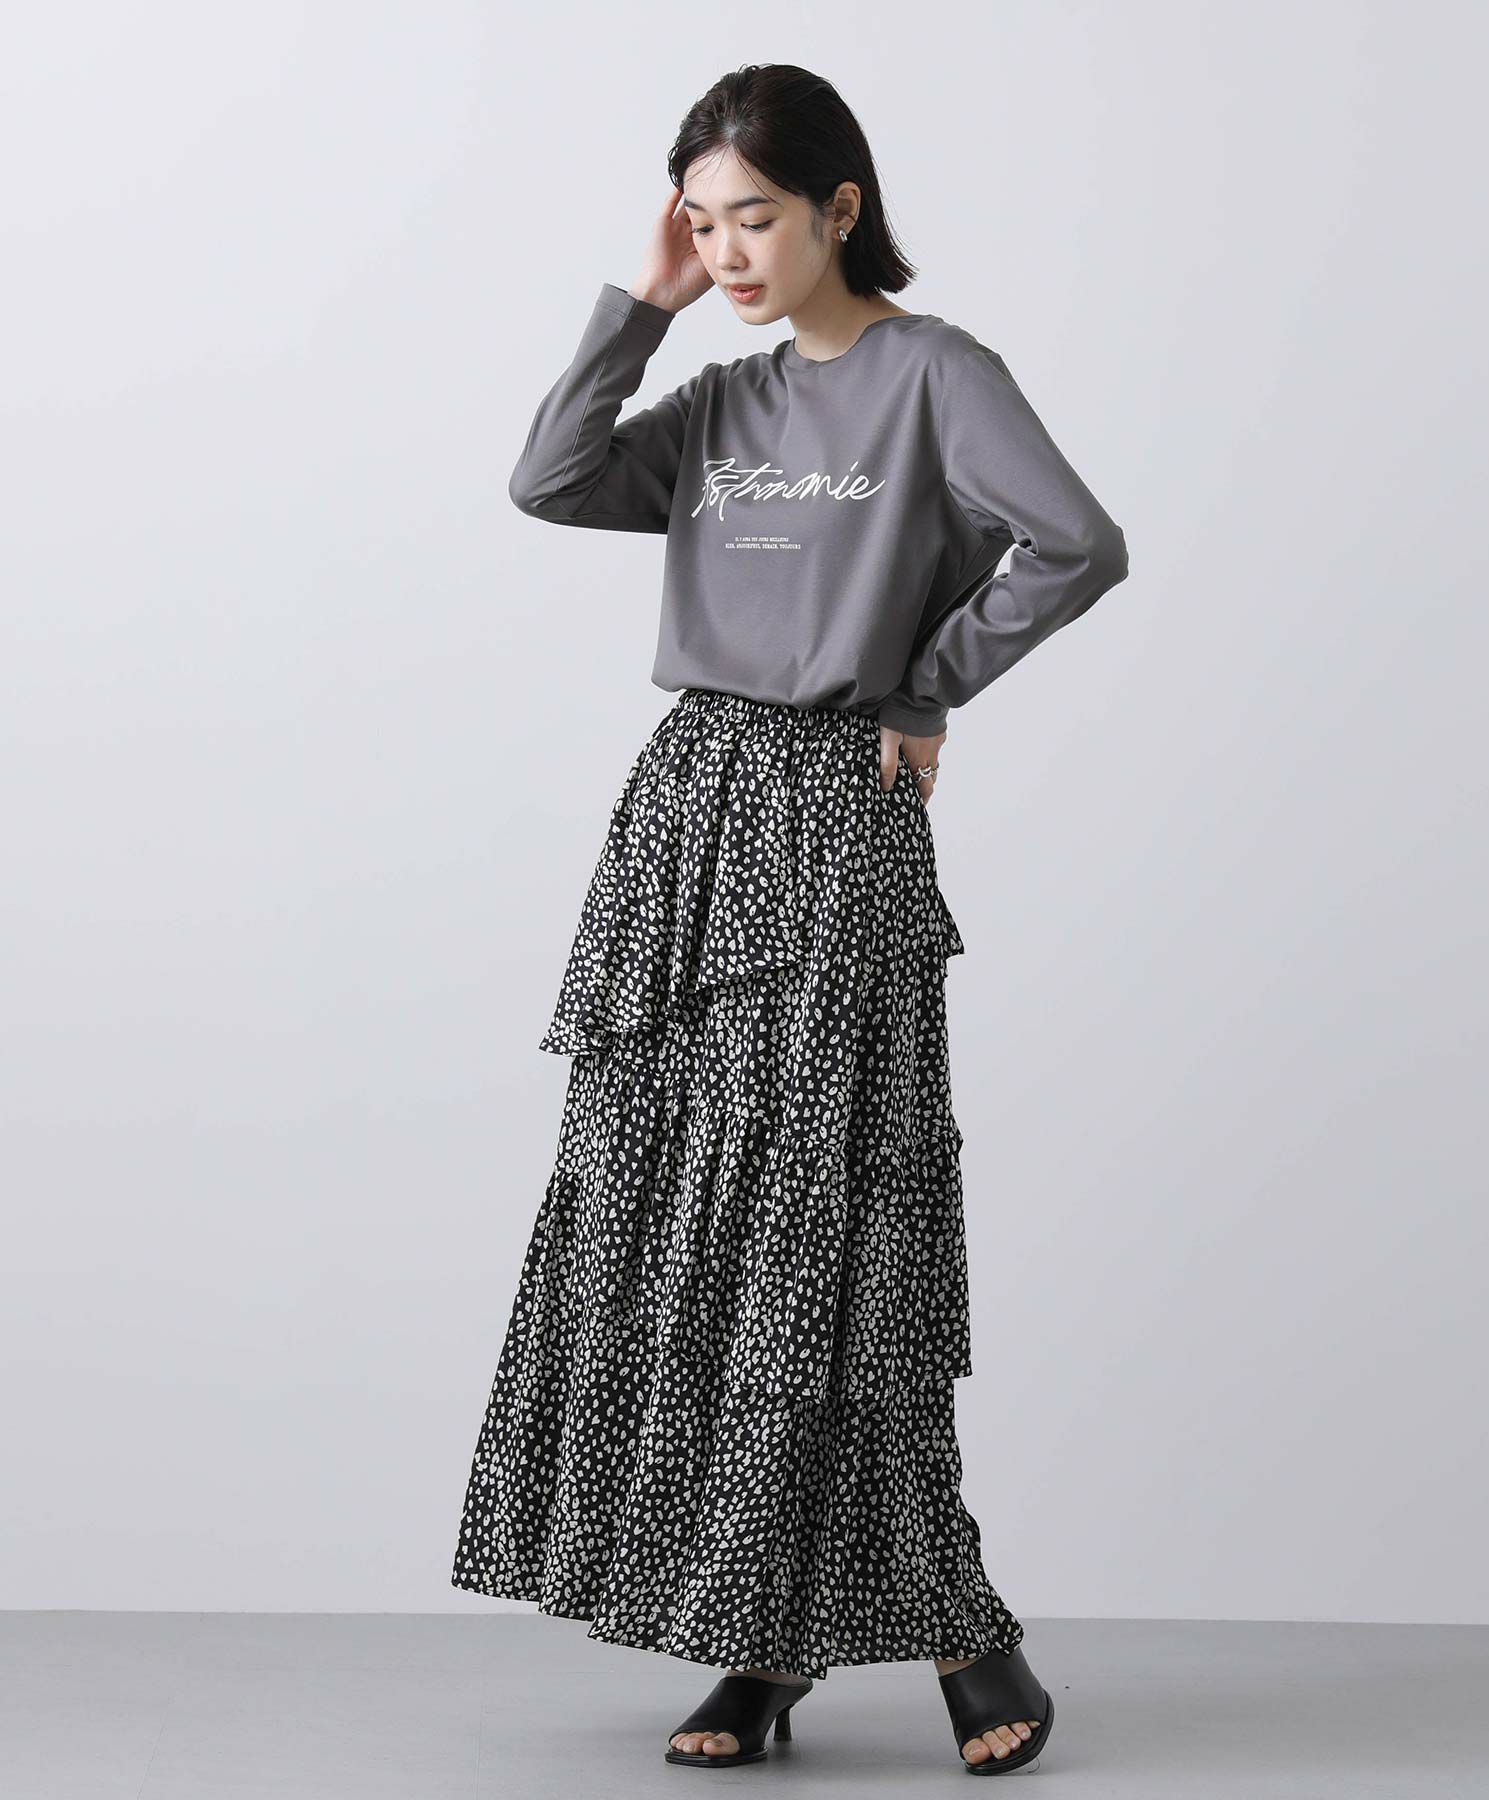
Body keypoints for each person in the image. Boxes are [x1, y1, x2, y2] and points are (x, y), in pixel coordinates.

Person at [450, 62, 1128, 1777]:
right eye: (703, 222)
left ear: (840, 206)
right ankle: (761, 1642)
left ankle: (946, 1631)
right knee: (687, 1231)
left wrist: (925, 680)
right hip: (689, 821)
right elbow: (548, 480)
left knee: (824, 1240)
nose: (730, 251)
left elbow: (1075, 542)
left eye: (754, 217)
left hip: (834, 817)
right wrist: (644, 306)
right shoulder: (721, 400)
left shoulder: (936, 375)